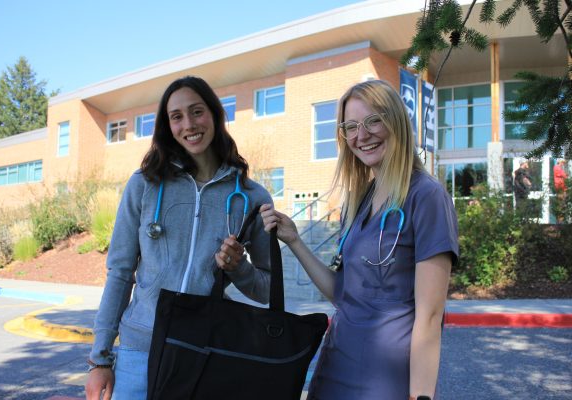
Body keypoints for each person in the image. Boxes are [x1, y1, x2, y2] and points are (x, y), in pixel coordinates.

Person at [260, 80, 459, 400]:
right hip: (335, 366)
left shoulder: (427, 197)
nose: (361, 135)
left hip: (386, 379)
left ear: (395, 121)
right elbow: (343, 295)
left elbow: (431, 316)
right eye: (350, 126)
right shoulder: (359, 200)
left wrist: (421, 396)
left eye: (372, 121)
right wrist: (295, 241)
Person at [85, 76, 273, 400]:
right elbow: (119, 272)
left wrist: (239, 268)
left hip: (205, 353)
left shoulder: (251, 197)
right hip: (138, 355)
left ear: (214, 115)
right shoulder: (144, 184)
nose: (189, 124)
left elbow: (268, 288)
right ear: (167, 125)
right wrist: (99, 358)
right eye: (176, 116)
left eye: (197, 111)